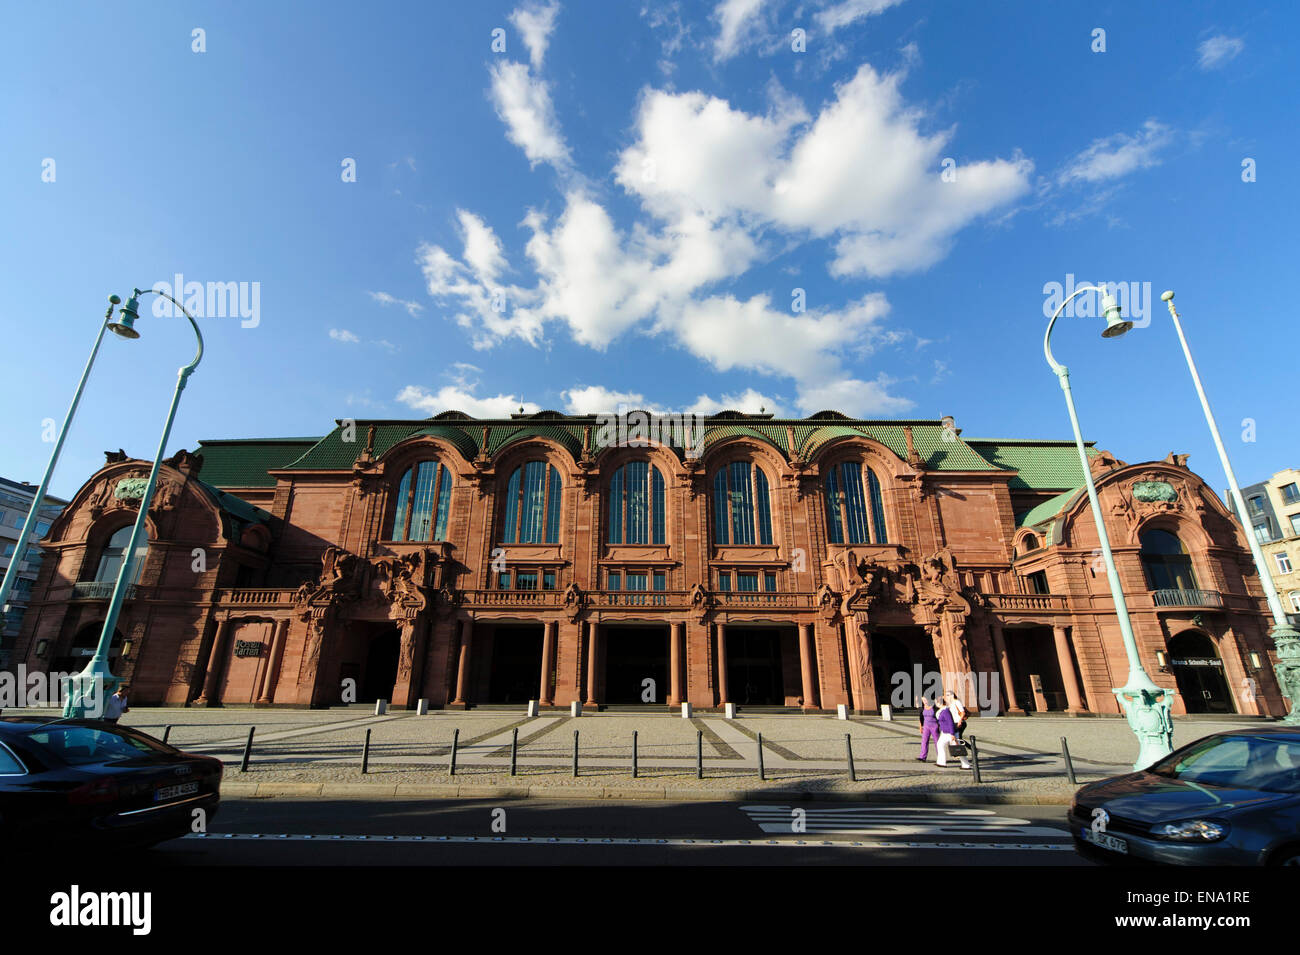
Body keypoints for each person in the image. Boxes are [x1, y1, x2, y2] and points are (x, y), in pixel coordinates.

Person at [935, 695, 970, 769]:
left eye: (936, 703)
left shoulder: (945, 711)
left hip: (950, 733)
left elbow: (950, 722)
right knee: (940, 744)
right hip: (945, 732)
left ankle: (966, 765)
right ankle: (941, 762)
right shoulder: (942, 711)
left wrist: (952, 734)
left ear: (940, 703)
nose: (935, 704)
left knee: (958, 748)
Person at [917, 695, 939, 762]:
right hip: (926, 726)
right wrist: (921, 727)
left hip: (934, 726)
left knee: (937, 742)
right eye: (923, 700)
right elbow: (921, 718)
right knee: (924, 741)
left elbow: (939, 717)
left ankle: (940, 757)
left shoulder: (935, 707)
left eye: (925, 700)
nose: (924, 702)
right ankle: (922, 757)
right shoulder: (922, 708)